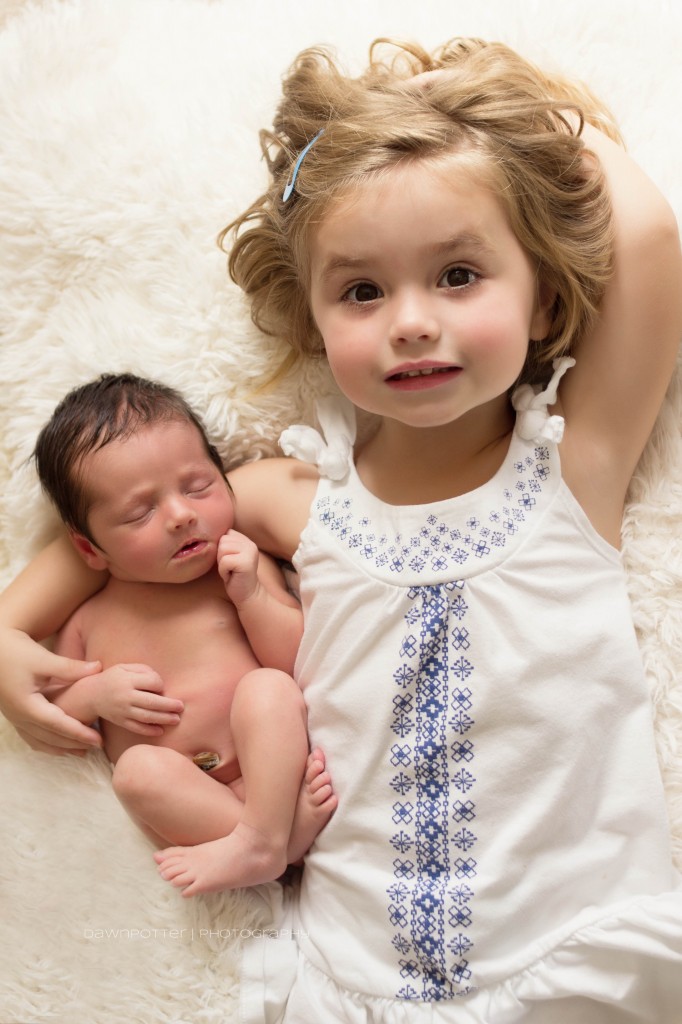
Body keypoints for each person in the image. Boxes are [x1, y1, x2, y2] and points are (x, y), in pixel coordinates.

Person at [0, 35, 681, 1022]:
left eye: (458, 274)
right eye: (362, 290)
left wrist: (484, 111)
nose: (410, 321)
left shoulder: (571, 470)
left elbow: (648, 238)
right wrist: (8, 635)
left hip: (572, 950)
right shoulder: (293, 497)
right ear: (314, 322)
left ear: (541, 297)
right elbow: (129, 518)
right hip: (354, 973)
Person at [31, 372, 335, 897]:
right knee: (136, 773)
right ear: (89, 550)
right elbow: (56, 709)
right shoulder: (87, 617)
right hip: (188, 803)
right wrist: (95, 695)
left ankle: (264, 839)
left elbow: (295, 662)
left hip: (269, 773)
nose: (180, 515)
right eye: (140, 512)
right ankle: (272, 846)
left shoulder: (235, 567)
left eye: (198, 487)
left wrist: (253, 598)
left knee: (267, 689)